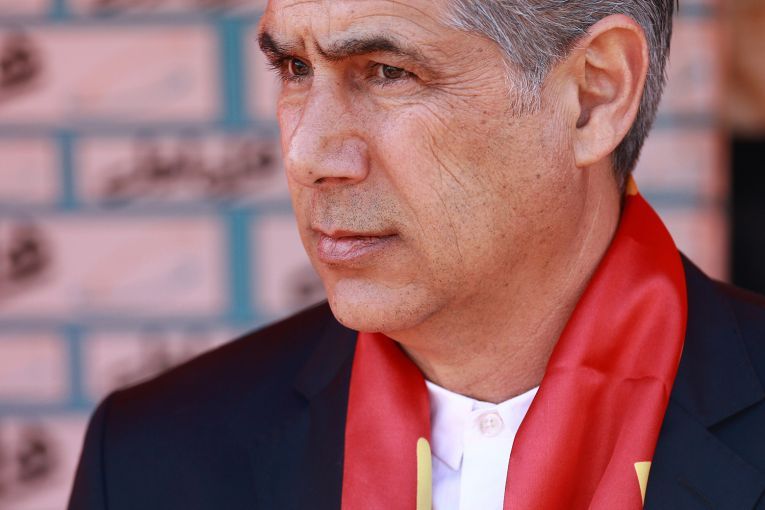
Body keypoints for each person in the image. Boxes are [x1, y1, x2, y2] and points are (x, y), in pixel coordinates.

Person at [68, 1, 765, 509]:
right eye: (294, 68)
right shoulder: (150, 459)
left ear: (593, 94)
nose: (307, 154)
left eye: (386, 72)